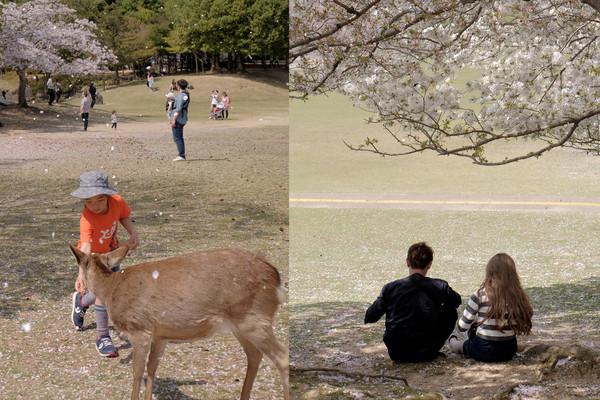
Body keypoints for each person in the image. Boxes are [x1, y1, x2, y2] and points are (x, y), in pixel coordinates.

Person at [70, 170, 139, 357]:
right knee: (104, 295)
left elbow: (123, 215)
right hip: (94, 260)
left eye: (100, 200)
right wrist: (81, 274)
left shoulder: (117, 201)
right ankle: (102, 337)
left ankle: (82, 301)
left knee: (109, 291)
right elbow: (85, 247)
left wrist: (132, 232)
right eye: (88, 202)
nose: (94, 206)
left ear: (108, 194)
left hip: (112, 254)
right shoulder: (86, 218)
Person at [365, 242, 461, 362]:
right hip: (427, 351)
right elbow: (457, 301)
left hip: (397, 353)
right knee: (450, 311)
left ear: (407, 262)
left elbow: (370, 316)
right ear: (429, 264)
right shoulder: (439, 286)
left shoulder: (391, 288)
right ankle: (430, 344)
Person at [448, 253, 533, 362]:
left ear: (490, 272)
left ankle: (451, 340)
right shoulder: (518, 296)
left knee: (461, 345)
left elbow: (462, 326)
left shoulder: (480, 295)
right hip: (509, 350)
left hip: (483, 350)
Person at [171, 79, 190, 161]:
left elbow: (178, 109)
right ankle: (182, 154)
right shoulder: (186, 95)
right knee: (180, 137)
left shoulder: (181, 96)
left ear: (179, 87)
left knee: (177, 138)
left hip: (178, 119)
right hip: (183, 118)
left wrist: (174, 119)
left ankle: (181, 155)